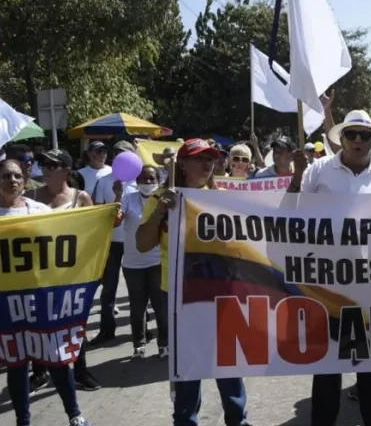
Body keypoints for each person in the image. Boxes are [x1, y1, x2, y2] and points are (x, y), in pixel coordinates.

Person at [289, 110, 371, 426]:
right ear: (342, 138)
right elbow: (288, 214)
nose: (359, 140)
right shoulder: (319, 170)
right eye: (352, 134)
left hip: (370, 286)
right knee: (327, 371)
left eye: (366, 135)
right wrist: (296, 177)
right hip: (327, 285)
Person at [136, 138, 250, 426]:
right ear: (182, 164)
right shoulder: (162, 198)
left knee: (229, 365)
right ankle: (186, 420)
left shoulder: (223, 195)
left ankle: (237, 419)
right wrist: (161, 210)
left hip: (222, 292)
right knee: (187, 369)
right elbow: (142, 244)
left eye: (211, 158)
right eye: (199, 158)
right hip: (180, 297)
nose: (207, 164)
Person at [0, 159, 90, 426]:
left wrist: (107, 220)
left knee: (57, 358)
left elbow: (70, 237)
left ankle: (75, 414)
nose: (13, 180)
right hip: (6, 302)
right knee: (16, 364)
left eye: (17, 176)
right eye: (6, 175)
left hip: (42, 299)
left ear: (25, 181)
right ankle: (23, 421)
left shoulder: (39, 210)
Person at [28, 149, 101, 392]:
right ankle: (39, 372)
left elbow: (92, 233)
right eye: (44, 164)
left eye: (52, 165)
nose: (46, 169)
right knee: (37, 324)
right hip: (36, 274)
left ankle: (80, 370)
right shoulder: (29, 196)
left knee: (75, 322)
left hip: (70, 275)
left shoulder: (81, 198)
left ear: (67, 171)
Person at [89, 140, 138, 347]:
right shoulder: (103, 182)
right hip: (112, 243)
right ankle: (107, 330)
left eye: (124, 153)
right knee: (108, 290)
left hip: (135, 243)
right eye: (117, 153)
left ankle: (140, 332)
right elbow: (99, 214)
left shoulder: (141, 181)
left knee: (138, 289)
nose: (120, 157)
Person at [119, 165, 168, 359]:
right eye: (143, 178)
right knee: (137, 306)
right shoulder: (128, 198)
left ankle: (164, 343)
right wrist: (116, 196)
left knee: (160, 306)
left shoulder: (162, 199)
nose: (147, 182)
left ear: (157, 179)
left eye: (151, 178)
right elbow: (116, 220)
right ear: (136, 181)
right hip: (132, 263)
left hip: (156, 261)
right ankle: (138, 344)